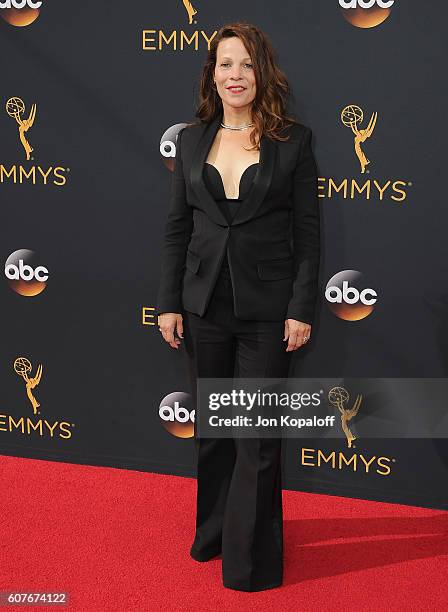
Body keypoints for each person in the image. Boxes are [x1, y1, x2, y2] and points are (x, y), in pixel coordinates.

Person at [156, 22, 320, 592]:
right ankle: (215, 534)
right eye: (225, 64)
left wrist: (300, 308)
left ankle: (251, 561)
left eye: (246, 64)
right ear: (212, 74)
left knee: (256, 435)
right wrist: (168, 302)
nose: (235, 75)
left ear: (262, 73)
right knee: (216, 432)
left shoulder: (292, 142)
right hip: (203, 305)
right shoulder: (194, 139)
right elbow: (178, 228)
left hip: (268, 309)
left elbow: (308, 232)